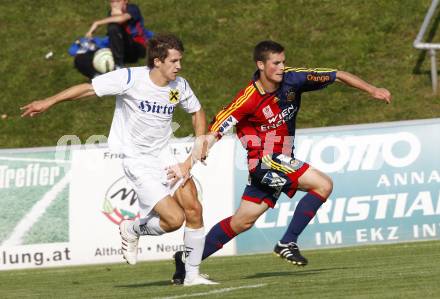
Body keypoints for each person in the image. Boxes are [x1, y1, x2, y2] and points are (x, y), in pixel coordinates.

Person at [169, 40, 392, 284]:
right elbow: (216, 129)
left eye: (283, 61)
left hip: (282, 158)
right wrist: (196, 155)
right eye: (276, 63)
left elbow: (338, 75)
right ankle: (288, 241)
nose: (282, 67)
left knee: (242, 221)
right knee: (323, 185)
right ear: (261, 65)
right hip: (264, 161)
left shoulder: (294, 80)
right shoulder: (248, 99)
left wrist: (372, 90)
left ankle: (187, 259)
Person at [21, 34, 217, 286]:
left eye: (180, 61)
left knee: (194, 209)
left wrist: (197, 146)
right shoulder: (129, 78)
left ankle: (192, 276)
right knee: (173, 221)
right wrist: (49, 101)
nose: (179, 66)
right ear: (157, 61)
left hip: (165, 155)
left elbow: (197, 111)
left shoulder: (179, 86)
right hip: (138, 161)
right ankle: (132, 229)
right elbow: (89, 89)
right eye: (174, 61)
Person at [75, 0, 153, 79]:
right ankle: (97, 77)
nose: (115, 4)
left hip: (136, 48)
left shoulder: (132, 8)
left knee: (113, 27)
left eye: (118, 1)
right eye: (112, 1)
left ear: (125, 1)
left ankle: (118, 66)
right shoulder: (111, 13)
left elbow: (122, 18)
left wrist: (97, 23)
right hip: (119, 49)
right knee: (80, 59)